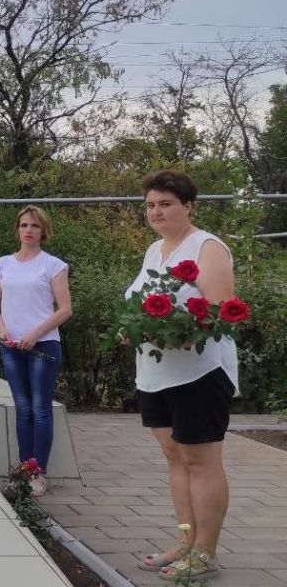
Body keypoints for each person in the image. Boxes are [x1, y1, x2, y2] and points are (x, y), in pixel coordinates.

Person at [127, 170, 238, 581]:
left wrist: (176, 337)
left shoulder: (206, 247)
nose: (157, 211)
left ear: (189, 205)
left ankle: (205, 554)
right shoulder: (155, 250)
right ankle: (186, 542)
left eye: (166, 204)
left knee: (201, 461)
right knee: (175, 458)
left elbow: (219, 311)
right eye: (151, 205)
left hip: (200, 374)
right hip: (155, 374)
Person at [0, 205, 72, 497]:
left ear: (43, 231)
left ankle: (37, 473)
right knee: (22, 410)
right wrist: (2, 330)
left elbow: (65, 309)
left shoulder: (53, 266)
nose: (28, 230)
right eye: (24, 225)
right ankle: (24, 470)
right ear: (17, 229)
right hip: (11, 347)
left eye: (34, 226)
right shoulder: (2, 265)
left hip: (43, 347)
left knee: (40, 409)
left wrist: (36, 334)